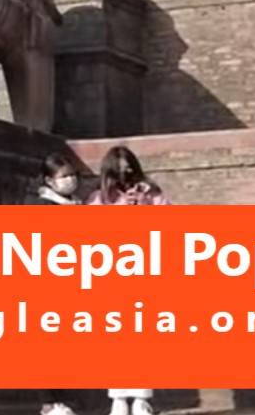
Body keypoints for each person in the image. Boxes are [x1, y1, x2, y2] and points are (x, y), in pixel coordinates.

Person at [89, 146, 165, 415]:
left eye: (129, 171)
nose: (126, 178)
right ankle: (118, 397)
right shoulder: (99, 200)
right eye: (119, 173)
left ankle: (142, 397)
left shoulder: (152, 195)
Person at [35, 152, 84, 415]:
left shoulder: (77, 205)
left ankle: (67, 400)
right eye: (64, 176)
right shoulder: (43, 207)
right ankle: (50, 402)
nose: (70, 180)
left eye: (72, 175)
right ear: (49, 180)